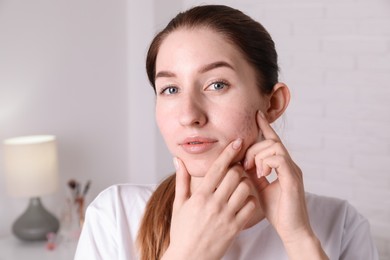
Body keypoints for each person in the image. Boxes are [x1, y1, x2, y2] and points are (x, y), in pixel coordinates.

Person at [74, 5, 378, 260]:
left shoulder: (341, 225)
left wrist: (299, 239)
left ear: (273, 102)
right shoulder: (116, 216)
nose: (189, 115)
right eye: (170, 89)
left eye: (217, 85)